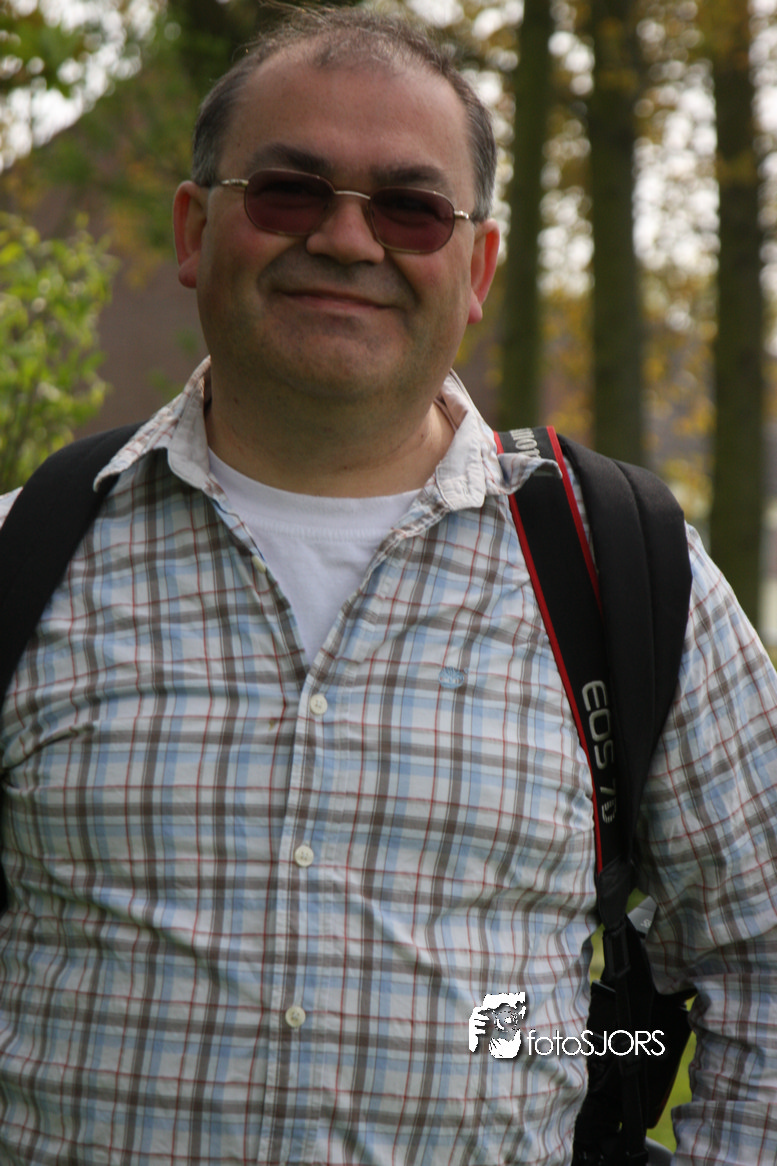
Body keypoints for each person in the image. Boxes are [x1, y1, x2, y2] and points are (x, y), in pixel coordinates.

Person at [0, 6, 776, 1164]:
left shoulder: (622, 573)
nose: (348, 239)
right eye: (289, 191)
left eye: (411, 207)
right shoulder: (27, 556)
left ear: (478, 266)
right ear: (194, 228)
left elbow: (764, 952)